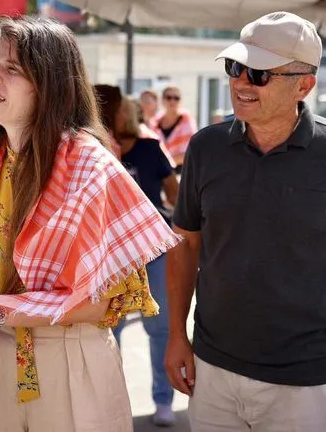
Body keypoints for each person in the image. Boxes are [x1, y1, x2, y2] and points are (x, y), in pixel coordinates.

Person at [0, 16, 179, 432]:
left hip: (66, 362)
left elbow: (96, 302)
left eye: (12, 69)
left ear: (49, 85)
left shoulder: (90, 166)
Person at [166, 11, 326, 432]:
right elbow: (186, 243)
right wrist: (176, 333)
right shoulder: (205, 148)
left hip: (310, 385)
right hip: (213, 373)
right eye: (236, 67)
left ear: (305, 84)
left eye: (260, 74)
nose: (242, 82)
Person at [110, 97, 178, 427]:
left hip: (154, 251)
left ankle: (163, 400)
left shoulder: (151, 149)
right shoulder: (95, 151)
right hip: (112, 256)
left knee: (160, 329)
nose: (127, 114)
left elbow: (175, 192)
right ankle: (112, 402)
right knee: (110, 331)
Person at [151, 86, 197, 168]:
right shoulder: (155, 122)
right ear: (162, 100)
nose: (172, 101)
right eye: (168, 97)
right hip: (159, 170)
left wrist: (167, 163)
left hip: (182, 169)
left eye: (176, 98)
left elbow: (191, 151)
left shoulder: (187, 120)